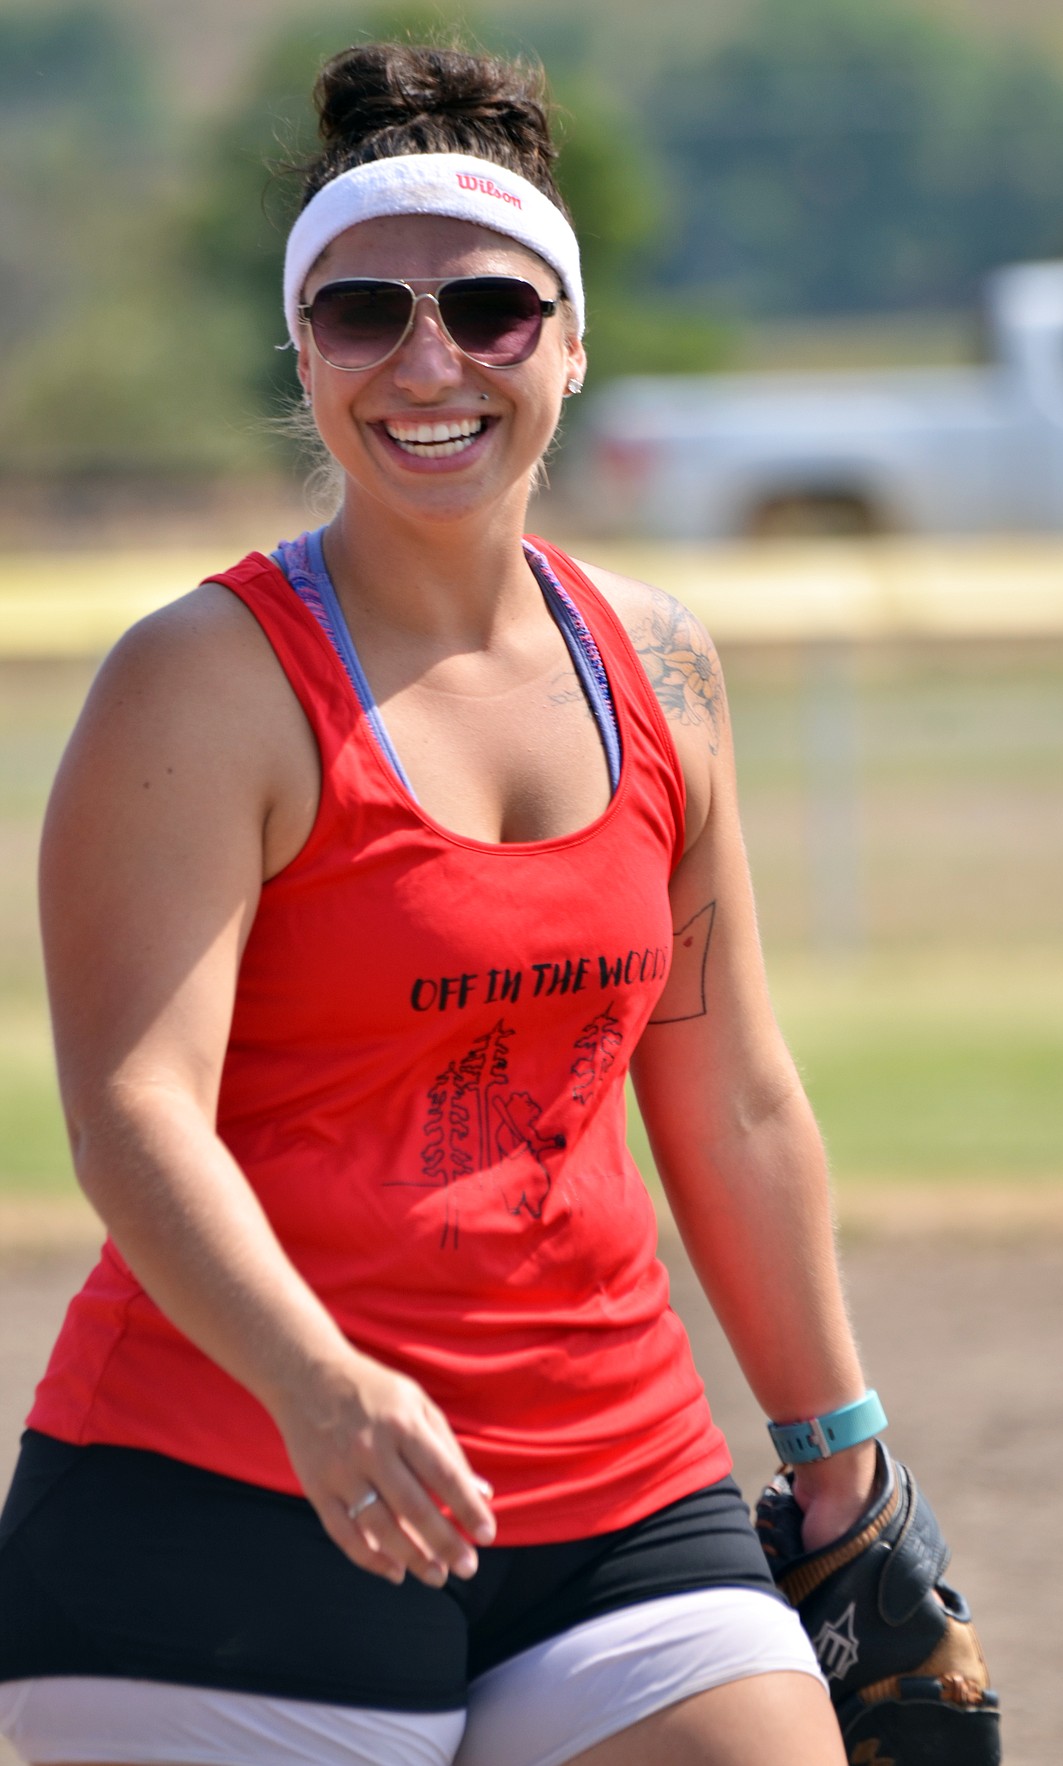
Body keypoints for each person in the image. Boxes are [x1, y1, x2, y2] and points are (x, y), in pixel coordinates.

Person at [0, 41, 886, 1766]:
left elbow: (735, 1094)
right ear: (303, 352)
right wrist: (319, 1385)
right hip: (231, 1482)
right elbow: (132, 1112)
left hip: (614, 1479)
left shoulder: (661, 667)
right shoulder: (203, 680)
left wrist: (834, 1444)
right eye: (359, 314)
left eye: (487, 307)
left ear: (567, 341)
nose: (428, 361)